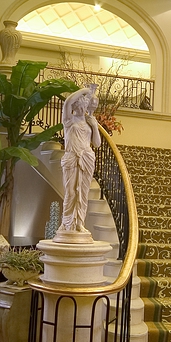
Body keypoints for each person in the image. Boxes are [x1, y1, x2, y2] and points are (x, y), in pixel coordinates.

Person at [59, 87, 101, 234]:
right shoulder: (69, 120)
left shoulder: (90, 122)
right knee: (70, 192)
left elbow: (97, 143)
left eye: (84, 105)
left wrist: (95, 126)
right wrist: (85, 90)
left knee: (83, 193)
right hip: (72, 157)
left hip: (87, 157)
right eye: (79, 106)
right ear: (75, 106)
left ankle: (79, 223)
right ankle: (66, 222)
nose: (82, 109)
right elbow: (67, 102)